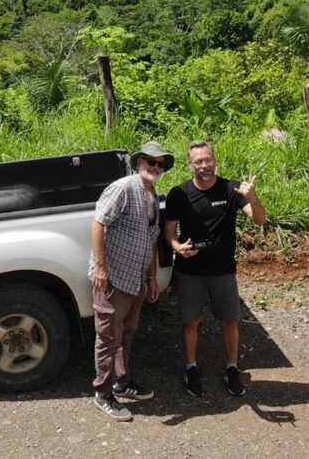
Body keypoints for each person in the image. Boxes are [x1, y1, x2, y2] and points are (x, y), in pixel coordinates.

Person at [164, 140, 266, 397]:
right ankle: (191, 367)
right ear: (190, 165)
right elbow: (169, 231)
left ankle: (232, 368)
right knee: (191, 323)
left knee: (230, 322)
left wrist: (253, 197)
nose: (204, 166)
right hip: (190, 271)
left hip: (223, 271)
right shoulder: (179, 193)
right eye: (198, 161)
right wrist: (177, 247)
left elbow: (260, 219)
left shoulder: (232, 189)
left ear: (215, 161)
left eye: (208, 160)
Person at [89, 141, 171, 421]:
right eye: (151, 161)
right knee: (108, 337)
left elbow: (152, 239)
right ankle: (102, 393)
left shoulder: (153, 194)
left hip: (136, 279)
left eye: (160, 163)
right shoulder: (123, 188)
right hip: (113, 277)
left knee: (127, 332)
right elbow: (98, 223)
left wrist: (151, 277)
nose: (155, 167)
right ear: (139, 163)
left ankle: (122, 382)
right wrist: (101, 268)